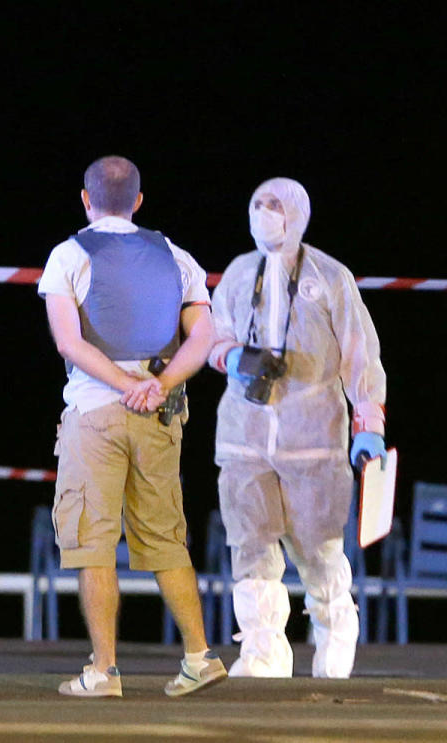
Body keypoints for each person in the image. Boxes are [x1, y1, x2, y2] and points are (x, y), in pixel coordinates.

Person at [38, 155, 227, 697]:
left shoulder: (68, 255)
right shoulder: (177, 256)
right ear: (139, 201)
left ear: (85, 199)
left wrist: (124, 386)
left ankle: (104, 670)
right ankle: (199, 654)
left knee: (92, 542)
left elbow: (69, 342)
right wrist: (157, 387)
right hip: (159, 415)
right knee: (167, 539)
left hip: (96, 413)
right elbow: (203, 338)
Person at [208, 177, 387, 678]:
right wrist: (231, 356)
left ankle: (335, 635)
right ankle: (263, 650)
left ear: (297, 214)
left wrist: (368, 421)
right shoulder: (240, 275)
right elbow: (213, 336)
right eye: (257, 203)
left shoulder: (329, 276)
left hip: (313, 441)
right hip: (244, 437)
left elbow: (360, 356)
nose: (264, 213)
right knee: (250, 544)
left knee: (317, 547)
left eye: (275, 206)